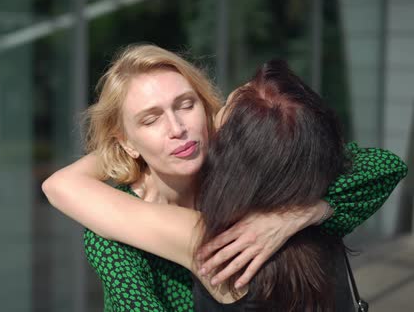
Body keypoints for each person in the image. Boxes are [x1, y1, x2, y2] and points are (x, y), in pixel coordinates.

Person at [42, 45, 408, 311]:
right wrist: (119, 145)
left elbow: (384, 165)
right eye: (151, 119)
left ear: (208, 109)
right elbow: (59, 185)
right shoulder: (114, 226)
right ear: (126, 141)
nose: (177, 128)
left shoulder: (245, 174)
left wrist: (293, 215)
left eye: (186, 105)